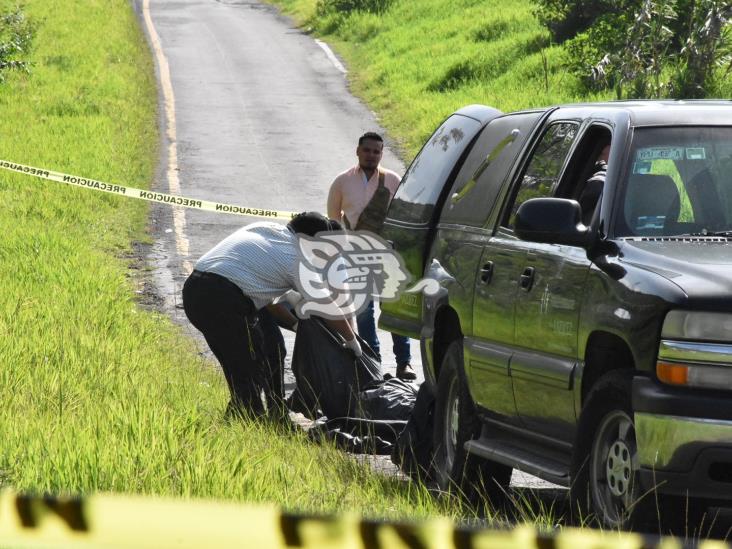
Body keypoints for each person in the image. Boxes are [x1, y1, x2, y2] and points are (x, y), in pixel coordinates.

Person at [182, 212, 360, 420]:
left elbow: (266, 297)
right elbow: (327, 306)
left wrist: (294, 325)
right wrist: (351, 340)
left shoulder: (266, 229)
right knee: (249, 366)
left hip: (196, 290)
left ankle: (271, 414)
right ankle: (249, 420)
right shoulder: (297, 258)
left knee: (270, 349)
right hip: (223, 298)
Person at [327, 132, 416, 381]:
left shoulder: (393, 181)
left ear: (381, 154)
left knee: (394, 310)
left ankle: (404, 363)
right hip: (355, 255)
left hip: (388, 254)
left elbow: (404, 218)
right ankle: (373, 362)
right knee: (364, 312)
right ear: (358, 151)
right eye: (367, 150)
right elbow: (333, 221)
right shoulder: (342, 182)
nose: (371, 155)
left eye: (376, 151)